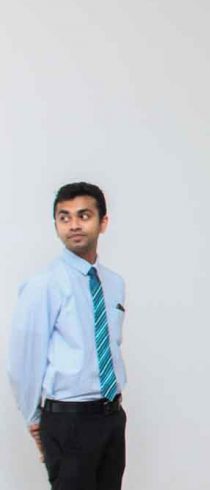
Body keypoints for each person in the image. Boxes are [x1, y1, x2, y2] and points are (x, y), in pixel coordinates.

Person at [8, 182, 128, 490]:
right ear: (56, 225)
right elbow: (24, 360)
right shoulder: (44, 285)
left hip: (112, 416)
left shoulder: (114, 284)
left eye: (83, 215)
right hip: (68, 422)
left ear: (103, 222)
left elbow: (111, 345)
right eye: (64, 217)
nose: (73, 224)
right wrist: (34, 419)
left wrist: (114, 415)